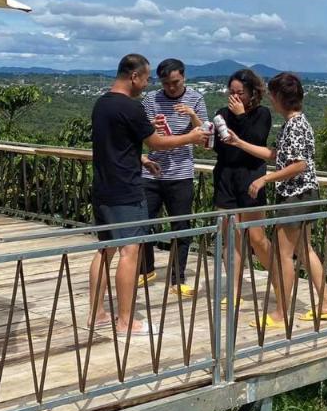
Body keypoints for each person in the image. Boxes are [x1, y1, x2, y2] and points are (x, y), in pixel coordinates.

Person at [89, 53, 207, 336]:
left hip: (102, 187)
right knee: (130, 252)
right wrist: (191, 137)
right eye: (145, 78)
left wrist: (139, 159)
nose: (146, 84)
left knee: (105, 250)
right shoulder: (130, 108)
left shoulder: (101, 104)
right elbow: (156, 142)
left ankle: (98, 314)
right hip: (126, 190)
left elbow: (115, 146)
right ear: (133, 76)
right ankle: (126, 321)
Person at [222, 71, 327, 327]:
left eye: (272, 95)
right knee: (305, 251)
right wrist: (240, 143)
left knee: (284, 256)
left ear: (279, 97)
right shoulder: (298, 122)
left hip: (295, 195)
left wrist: (265, 180)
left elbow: (298, 165)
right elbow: (276, 156)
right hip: (305, 193)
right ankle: (326, 305)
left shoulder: (294, 125)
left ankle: (281, 312)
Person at [138, 58, 208, 295]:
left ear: (184, 77)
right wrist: (152, 126)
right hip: (152, 172)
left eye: (175, 83)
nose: (171, 88)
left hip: (181, 174)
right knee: (143, 224)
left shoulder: (196, 98)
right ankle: (145, 269)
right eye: (166, 83)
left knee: (181, 226)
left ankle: (178, 279)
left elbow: (207, 139)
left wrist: (192, 116)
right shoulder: (151, 99)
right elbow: (141, 132)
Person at [212, 68, 279, 310]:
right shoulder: (222, 113)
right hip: (226, 178)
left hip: (251, 177)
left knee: (256, 237)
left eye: (240, 92)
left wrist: (240, 117)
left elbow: (256, 142)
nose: (235, 97)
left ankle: (280, 280)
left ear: (252, 92)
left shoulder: (262, 114)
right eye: (232, 92)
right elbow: (221, 148)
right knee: (231, 238)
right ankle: (234, 291)